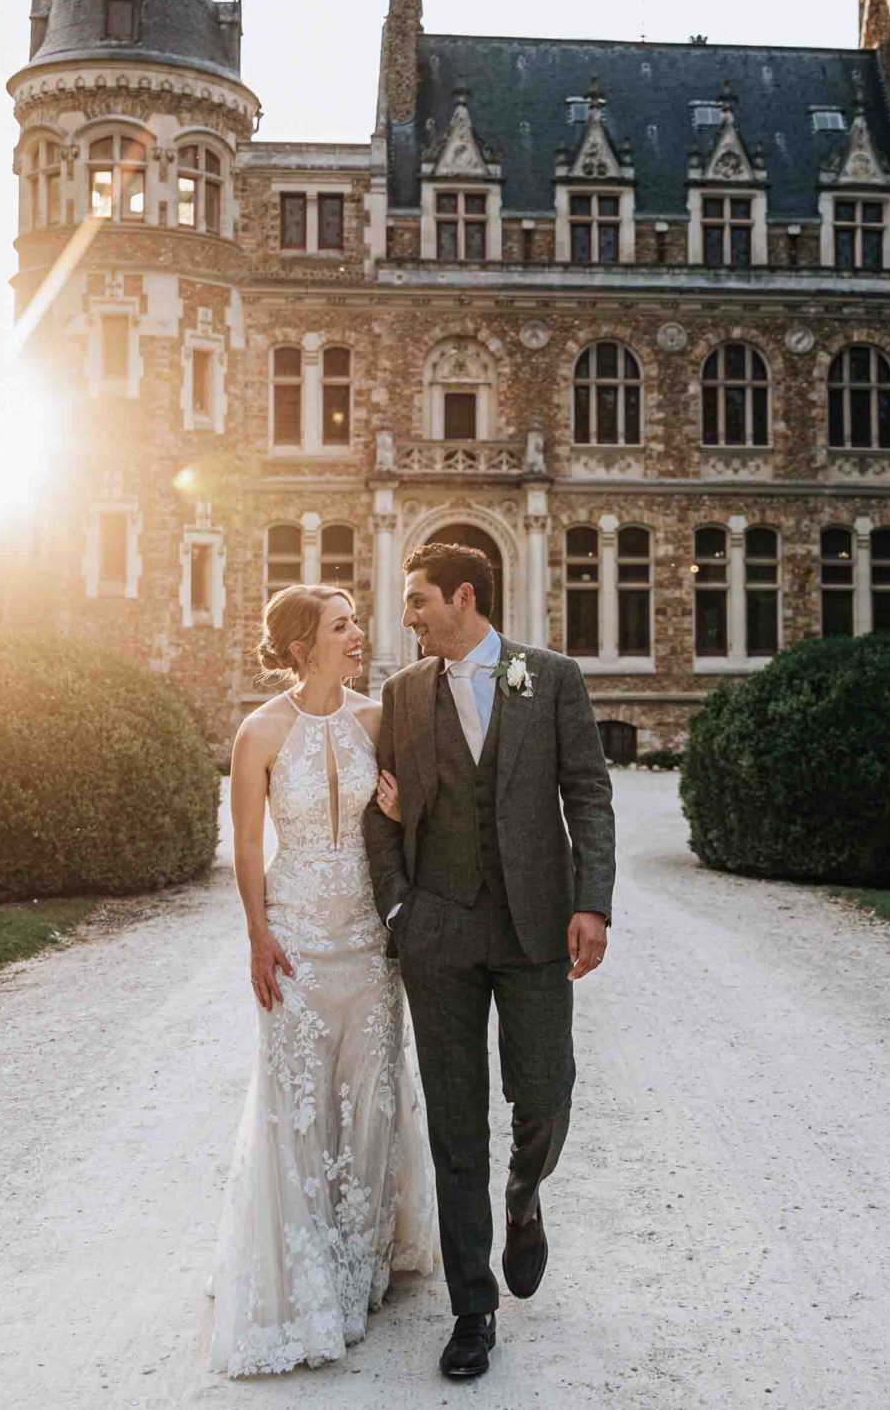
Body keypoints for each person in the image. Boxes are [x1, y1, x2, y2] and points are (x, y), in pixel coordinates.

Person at [363, 543, 615, 1380]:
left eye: (418, 600)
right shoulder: (401, 696)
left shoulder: (551, 677)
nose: (407, 617)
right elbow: (380, 811)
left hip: (535, 923)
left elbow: (587, 791)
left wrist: (592, 901)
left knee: (546, 1090)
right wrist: (399, 905)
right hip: (439, 930)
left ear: (463, 597)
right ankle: (473, 1308)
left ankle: (525, 1192)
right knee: (454, 1120)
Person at [206, 585, 439, 1375]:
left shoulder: (379, 718)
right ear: (304, 643)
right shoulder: (259, 732)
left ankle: (363, 1257)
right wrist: (257, 935)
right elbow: (244, 846)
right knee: (299, 1103)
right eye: (341, 626)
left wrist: (405, 812)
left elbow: (412, 821)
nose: (357, 635)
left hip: (368, 937)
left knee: (370, 1097)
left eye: (354, 623)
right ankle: (306, 1269)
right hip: (298, 936)